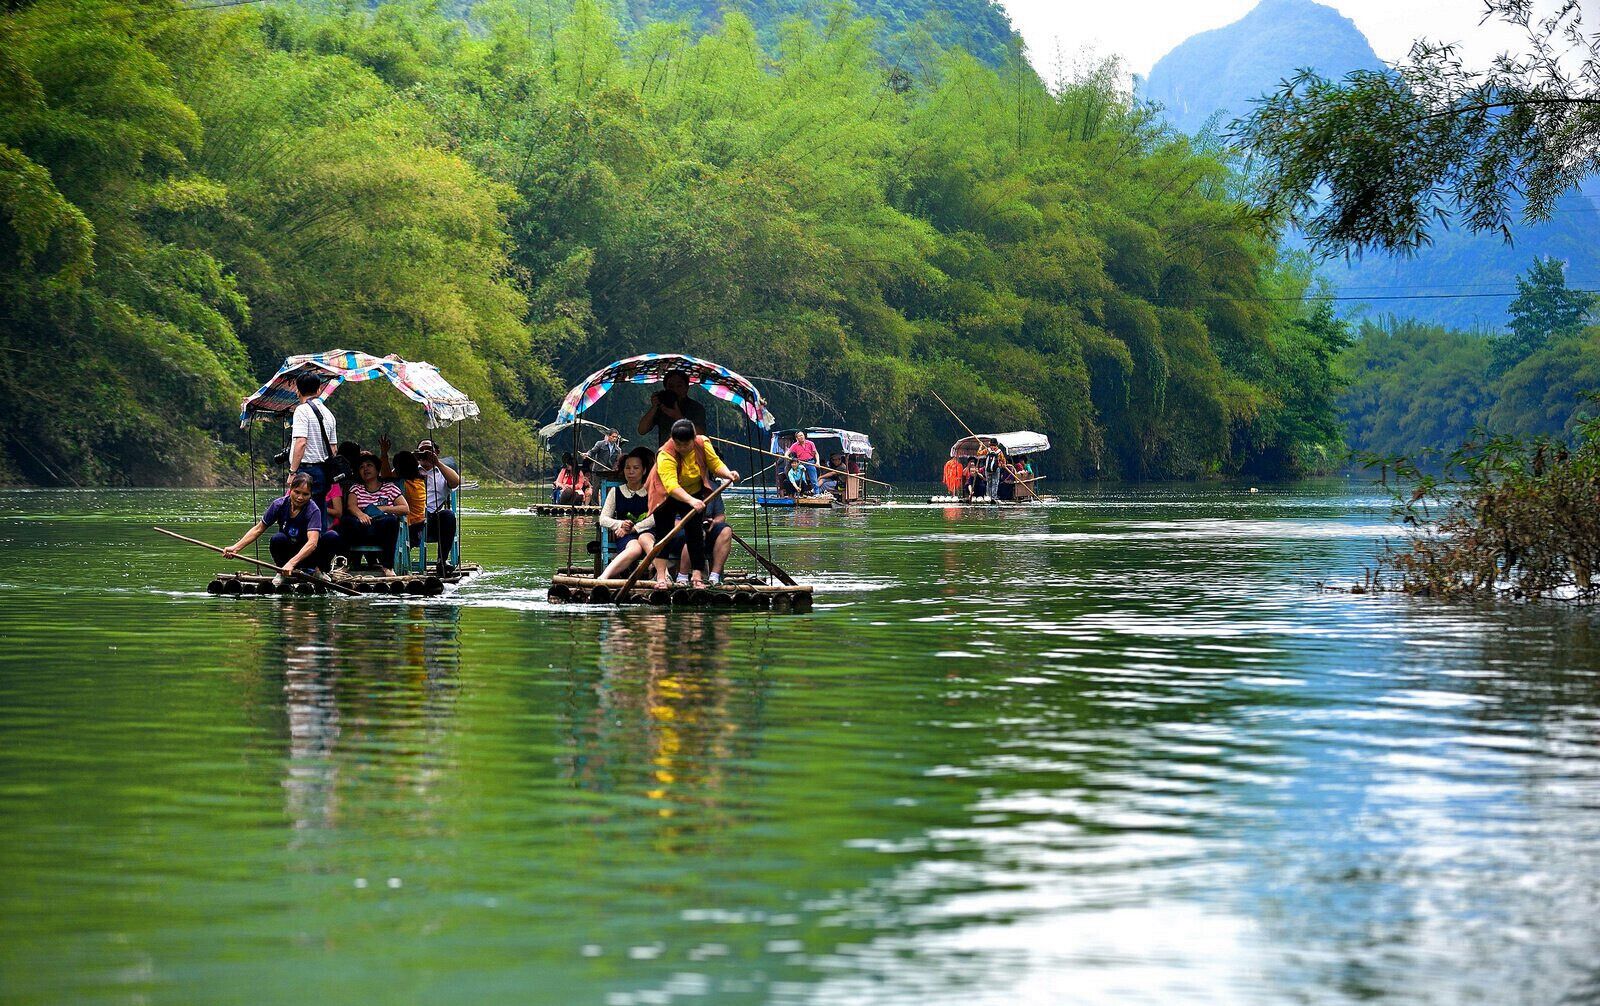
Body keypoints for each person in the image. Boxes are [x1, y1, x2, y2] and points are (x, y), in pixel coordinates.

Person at [647, 418, 738, 588]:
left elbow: (715, 464)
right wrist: (691, 501)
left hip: (693, 490)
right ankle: (661, 577)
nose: (681, 448)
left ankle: (697, 576)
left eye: (685, 444)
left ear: (693, 438)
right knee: (663, 534)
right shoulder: (665, 453)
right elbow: (671, 485)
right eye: (678, 443)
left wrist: (728, 474)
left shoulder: (702, 443)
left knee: (695, 534)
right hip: (666, 494)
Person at [223, 472, 335, 585]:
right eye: (297, 492)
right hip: (288, 552)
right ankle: (281, 571)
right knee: (277, 538)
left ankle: (318, 571)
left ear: (311, 494)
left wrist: (292, 563)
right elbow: (258, 529)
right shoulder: (279, 505)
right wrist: (236, 548)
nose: (300, 497)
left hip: (308, 555)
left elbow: (312, 543)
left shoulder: (313, 510)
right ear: (290, 489)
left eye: (305, 494)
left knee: (332, 537)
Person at [598, 447, 667, 584]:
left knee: (645, 539)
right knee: (635, 548)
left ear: (644, 470)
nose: (631, 471)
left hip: (648, 532)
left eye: (636, 468)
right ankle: (603, 577)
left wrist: (635, 528)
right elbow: (603, 519)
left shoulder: (650, 492)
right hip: (625, 535)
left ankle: (664, 575)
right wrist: (620, 524)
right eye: (627, 468)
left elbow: (655, 517)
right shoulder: (616, 492)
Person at [339, 452, 407, 570]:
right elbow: (351, 505)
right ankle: (346, 564)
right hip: (361, 528)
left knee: (391, 521)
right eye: (361, 467)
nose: (365, 469)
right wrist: (361, 515)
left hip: (382, 529)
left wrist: (383, 508)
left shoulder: (390, 487)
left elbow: (405, 508)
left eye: (369, 465)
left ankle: (387, 567)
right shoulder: (356, 488)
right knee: (346, 521)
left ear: (377, 469)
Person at [288, 372, 339, 504]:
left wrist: (293, 472)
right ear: (319, 390)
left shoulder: (302, 410)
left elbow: (301, 443)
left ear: (298, 391)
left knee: (303, 514)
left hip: (306, 471)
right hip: (323, 472)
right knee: (318, 511)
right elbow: (333, 449)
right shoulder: (329, 414)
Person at [415, 438, 461, 573]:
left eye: (429, 450)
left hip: (432, 520)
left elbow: (455, 482)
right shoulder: (410, 470)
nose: (425, 454)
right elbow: (390, 478)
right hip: (411, 517)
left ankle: (442, 561)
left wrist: (437, 463)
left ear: (437, 452)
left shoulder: (443, 472)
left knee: (448, 515)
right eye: (421, 452)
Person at [637, 370, 708, 446]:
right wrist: (654, 407)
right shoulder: (662, 407)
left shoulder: (696, 408)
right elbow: (642, 430)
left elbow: (700, 434)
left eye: (679, 386)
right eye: (671, 387)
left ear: (686, 388)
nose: (675, 390)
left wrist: (678, 417)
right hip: (666, 454)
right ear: (665, 388)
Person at [392, 450, 428, 550]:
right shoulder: (420, 481)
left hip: (409, 529)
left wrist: (384, 453)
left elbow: (386, 476)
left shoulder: (404, 484)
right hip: (418, 527)